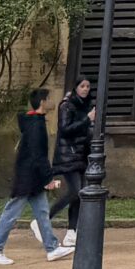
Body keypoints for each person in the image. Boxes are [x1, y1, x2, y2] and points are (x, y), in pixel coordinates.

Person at [0, 89, 66, 264]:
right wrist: (48, 178)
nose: (52, 101)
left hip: (32, 178)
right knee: (11, 213)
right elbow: (38, 155)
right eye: (49, 98)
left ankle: (52, 248)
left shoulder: (35, 122)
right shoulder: (36, 125)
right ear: (43, 102)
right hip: (27, 178)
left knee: (42, 212)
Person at [53, 76, 94, 251]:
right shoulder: (67, 105)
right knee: (75, 191)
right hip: (68, 155)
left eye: (88, 86)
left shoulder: (86, 106)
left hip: (81, 155)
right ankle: (45, 219)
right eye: (82, 86)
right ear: (76, 87)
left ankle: (71, 231)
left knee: (78, 195)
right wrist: (87, 120)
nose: (85, 89)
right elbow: (65, 130)